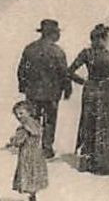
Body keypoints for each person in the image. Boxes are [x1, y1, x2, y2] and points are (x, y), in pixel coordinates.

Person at [69, 24, 109, 174]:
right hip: (108, 92)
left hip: (91, 92)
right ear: (103, 39)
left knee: (90, 124)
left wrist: (84, 82)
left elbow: (69, 71)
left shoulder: (86, 53)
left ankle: (91, 161)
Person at [16, 19, 72, 159]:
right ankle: (47, 148)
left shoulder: (30, 49)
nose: (58, 35)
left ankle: (32, 145)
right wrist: (67, 89)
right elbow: (64, 73)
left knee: (33, 118)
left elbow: (21, 70)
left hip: (33, 92)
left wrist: (23, 86)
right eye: (57, 33)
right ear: (52, 34)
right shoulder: (57, 51)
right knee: (50, 120)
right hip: (51, 94)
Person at [6, 100, 49, 201]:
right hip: (37, 155)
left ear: (29, 112)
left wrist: (12, 142)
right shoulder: (36, 124)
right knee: (34, 178)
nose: (19, 117)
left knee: (28, 179)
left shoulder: (25, 128)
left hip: (27, 156)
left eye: (21, 113)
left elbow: (18, 140)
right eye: (17, 114)